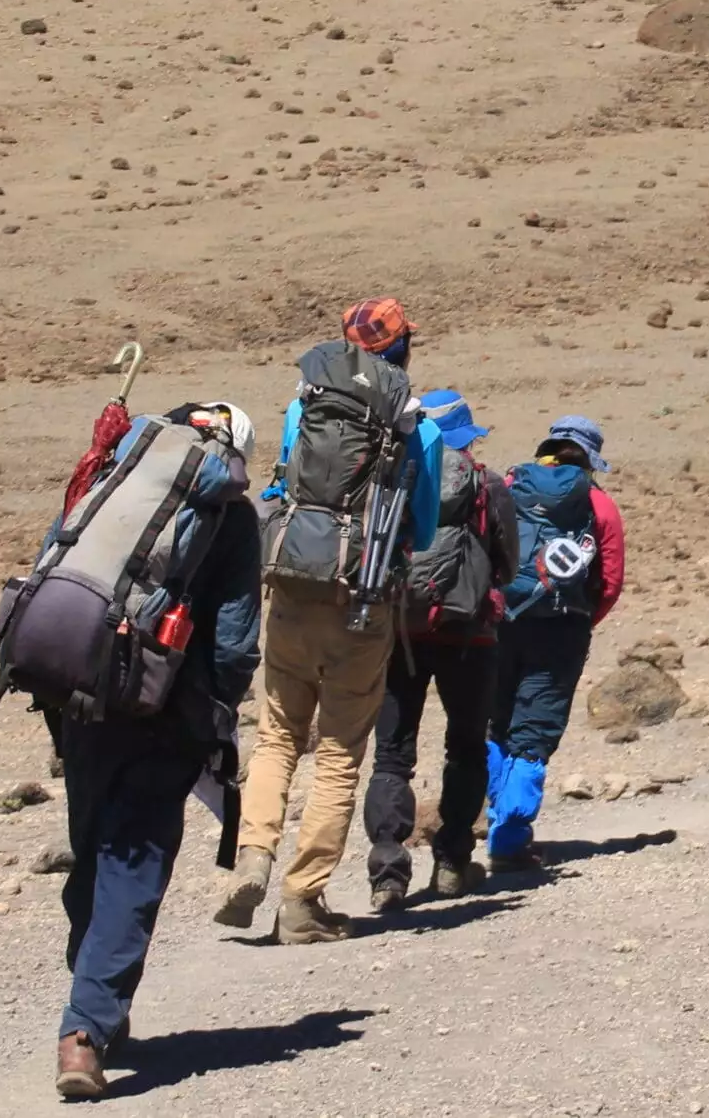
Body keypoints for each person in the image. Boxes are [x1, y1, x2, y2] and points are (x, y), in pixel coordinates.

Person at [51, 403, 263, 1101]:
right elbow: (232, 640)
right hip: (164, 708)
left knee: (94, 846)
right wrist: (216, 711)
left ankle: (98, 997)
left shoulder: (114, 474)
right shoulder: (231, 516)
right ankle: (84, 1029)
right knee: (134, 861)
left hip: (77, 691)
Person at [216, 297, 443, 944]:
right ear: (401, 352)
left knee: (278, 734)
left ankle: (253, 855)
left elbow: (282, 485)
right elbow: (422, 527)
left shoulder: (303, 405)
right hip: (362, 600)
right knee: (340, 753)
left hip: (291, 585)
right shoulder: (416, 427)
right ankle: (301, 899)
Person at [361, 388, 518, 912]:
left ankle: (387, 873)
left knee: (391, 756)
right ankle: (451, 862)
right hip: (469, 634)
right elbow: (509, 562)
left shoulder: (393, 478)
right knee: (467, 747)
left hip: (400, 634)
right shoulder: (486, 483)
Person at [486, 415, 624, 870]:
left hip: (502, 620)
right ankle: (509, 838)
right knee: (536, 729)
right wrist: (582, 619)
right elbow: (610, 580)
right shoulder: (599, 505)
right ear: (589, 459)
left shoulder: (508, 485)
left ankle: (490, 817)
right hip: (562, 628)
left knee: (497, 722)